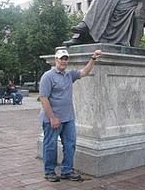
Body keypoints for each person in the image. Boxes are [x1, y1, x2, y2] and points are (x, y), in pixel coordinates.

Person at [39, 48, 102, 182]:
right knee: (50, 145)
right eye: (61, 59)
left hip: (68, 118)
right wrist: (52, 118)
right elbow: (43, 98)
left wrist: (93, 59)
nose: (63, 61)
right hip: (52, 119)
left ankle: (66, 171)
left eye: (66, 59)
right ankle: (49, 171)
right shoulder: (48, 76)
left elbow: (85, 72)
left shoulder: (69, 75)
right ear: (56, 60)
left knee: (70, 144)